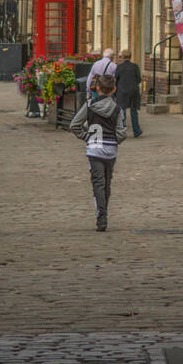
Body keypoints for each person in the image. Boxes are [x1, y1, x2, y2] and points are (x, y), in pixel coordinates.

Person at [69, 74, 127, 230]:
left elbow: (74, 125)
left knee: (98, 183)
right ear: (114, 89)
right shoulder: (117, 109)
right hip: (110, 151)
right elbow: (122, 133)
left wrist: (87, 137)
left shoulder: (89, 105)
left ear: (97, 88)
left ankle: (101, 214)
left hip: (94, 149)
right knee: (107, 183)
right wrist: (115, 140)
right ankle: (104, 210)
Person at [115, 49, 143, 138]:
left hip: (122, 91)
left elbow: (116, 79)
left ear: (122, 57)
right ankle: (137, 131)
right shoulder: (135, 66)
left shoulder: (119, 67)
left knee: (122, 111)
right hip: (133, 90)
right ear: (130, 56)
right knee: (133, 111)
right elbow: (139, 79)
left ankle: (122, 132)